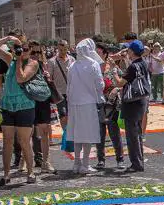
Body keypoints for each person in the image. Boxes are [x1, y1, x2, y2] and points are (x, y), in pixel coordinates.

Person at [0, 34, 38, 187]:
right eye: (20, 49)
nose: (22, 51)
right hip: (8, 105)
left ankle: (30, 171)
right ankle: (6, 174)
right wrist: (8, 39)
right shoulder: (9, 58)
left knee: (24, 141)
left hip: (25, 106)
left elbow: (21, 77)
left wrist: (18, 59)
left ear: (30, 50)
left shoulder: (33, 63)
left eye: (25, 49)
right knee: (7, 141)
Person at [66, 38, 104, 174]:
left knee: (77, 135)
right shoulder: (94, 64)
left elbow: (68, 86)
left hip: (74, 103)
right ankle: (85, 164)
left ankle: (76, 162)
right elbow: (100, 84)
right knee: (87, 135)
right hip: (88, 103)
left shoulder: (72, 65)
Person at [114, 39, 150, 173]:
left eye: (128, 50)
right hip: (141, 101)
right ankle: (139, 161)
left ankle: (136, 163)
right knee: (138, 133)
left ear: (132, 51)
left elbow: (120, 83)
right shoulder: (143, 63)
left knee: (132, 135)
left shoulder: (133, 67)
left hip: (132, 103)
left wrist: (114, 72)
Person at [94, 41, 124, 170]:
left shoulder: (113, 68)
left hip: (112, 104)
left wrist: (116, 90)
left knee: (114, 133)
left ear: (105, 54)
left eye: (98, 52)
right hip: (98, 103)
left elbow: (123, 83)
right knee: (99, 134)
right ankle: (101, 160)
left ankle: (120, 159)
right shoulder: (92, 68)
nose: (96, 54)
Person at [29, 42, 56, 174]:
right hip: (28, 101)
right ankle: (26, 162)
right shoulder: (24, 66)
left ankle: (46, 161)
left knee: (44, 132)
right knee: (27, 133)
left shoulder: (42, 66)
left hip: (43, 101)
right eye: (33, 52)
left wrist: (47, 78)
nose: (36, 55)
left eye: (38, 52)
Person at [48, 39, 74, 128]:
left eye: (64, 49)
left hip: (71, 92)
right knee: (63, 114)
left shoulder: (72, 59)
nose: (62, 52)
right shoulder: (52, 61)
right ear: (57, 49)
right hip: (59, 93)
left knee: (71, 115)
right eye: (60, 50)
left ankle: (71, 134)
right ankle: (66, 135)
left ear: (67, 48)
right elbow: (49, 78)